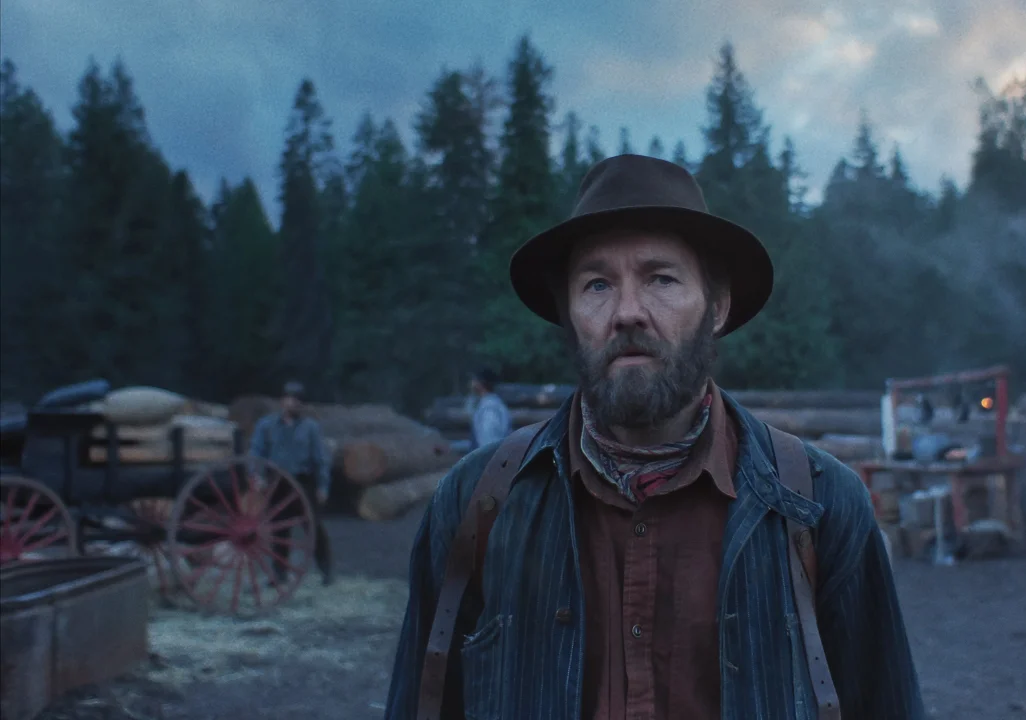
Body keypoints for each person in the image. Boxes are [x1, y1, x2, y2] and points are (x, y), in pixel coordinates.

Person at [384, 155, 923, 719]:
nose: (627, 312)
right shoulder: (476, 502)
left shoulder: (819, 504)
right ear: (569, 315)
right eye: (597, 284)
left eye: (661, 279)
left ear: (717, 307)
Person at [249, 380, 335, 586]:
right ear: (282, 401)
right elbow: (256, 453)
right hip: (277, 484)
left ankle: (326, 571)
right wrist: (256, 476)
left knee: (313, 528)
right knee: (279, 530)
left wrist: (323, 486)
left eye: (297, 400)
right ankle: (279, 574)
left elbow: (320, 459)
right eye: (289, 399)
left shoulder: (310, 428)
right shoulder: (266, 425)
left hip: (302, 482)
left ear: (302, 404)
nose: (292, 403)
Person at [468, 367, 512, 449]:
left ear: (480, 383)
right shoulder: (490, 404)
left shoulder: (490, 408)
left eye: (474, 380)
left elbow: (489, 441)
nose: (471, 383)